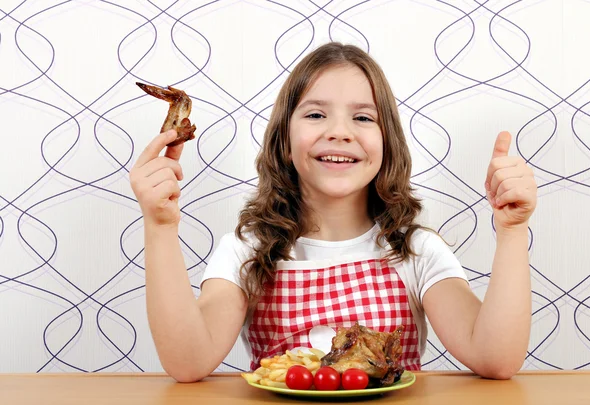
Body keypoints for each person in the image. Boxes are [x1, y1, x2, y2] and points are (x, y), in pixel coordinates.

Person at [129, 42, 537, 383]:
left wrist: (512, 231)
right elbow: (188, 361)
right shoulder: (247, 249)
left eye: (362, 117)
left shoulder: (416, 250)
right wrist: (160, 226)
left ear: (387, 143)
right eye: (315, 114)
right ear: (285, 142)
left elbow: (495, 358)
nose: (339, 131)